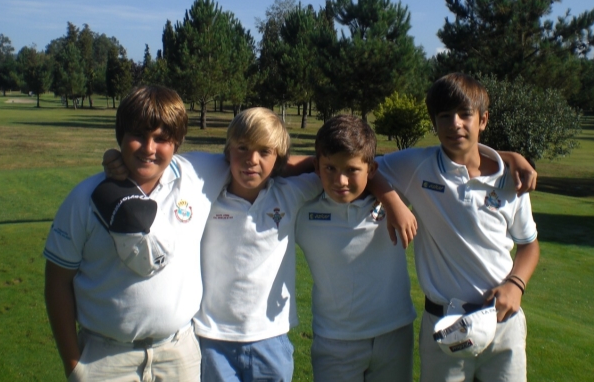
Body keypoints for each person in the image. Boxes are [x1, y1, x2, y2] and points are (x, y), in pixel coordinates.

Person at [192, 107, 415, 382]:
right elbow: (306, 164)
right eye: (243, 148)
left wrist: (391, 198)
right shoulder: (208, 195)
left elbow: (352, 167)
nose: (340, 179)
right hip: (222, 335)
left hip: (282, 337)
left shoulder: (297, 194)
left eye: (264, 151)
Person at [43, 85, 230, 382]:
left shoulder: (199, 175)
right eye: (138, 136)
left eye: (161, 139)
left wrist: (319, 165)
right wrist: (74, 365)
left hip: (178, 355)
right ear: (120, 136)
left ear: (177, 142)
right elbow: (57, 282)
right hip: (105, 359)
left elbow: (261, 160)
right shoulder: (84, 198)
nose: (149, 148)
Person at [376, 73, 540, 382]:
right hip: (444, 324)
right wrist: (393, 202)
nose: (455, 124)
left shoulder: (511, 180)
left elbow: (529, 243)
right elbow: (362, 166)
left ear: (483, 119)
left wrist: (516, 284)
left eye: (465, 114)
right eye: (444, 116)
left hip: (504, 321)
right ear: (433, 122)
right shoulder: (417, 166)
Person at [295, 115, 417, 382]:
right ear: (316, 166)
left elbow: (448, 155)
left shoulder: (397, 193)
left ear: (372, 170)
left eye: (351, 170)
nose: (340, 180)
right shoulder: (301, 206)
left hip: (394, 334)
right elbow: (273, 166)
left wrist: (391, 198)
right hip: (334, 340)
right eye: (330, 168)